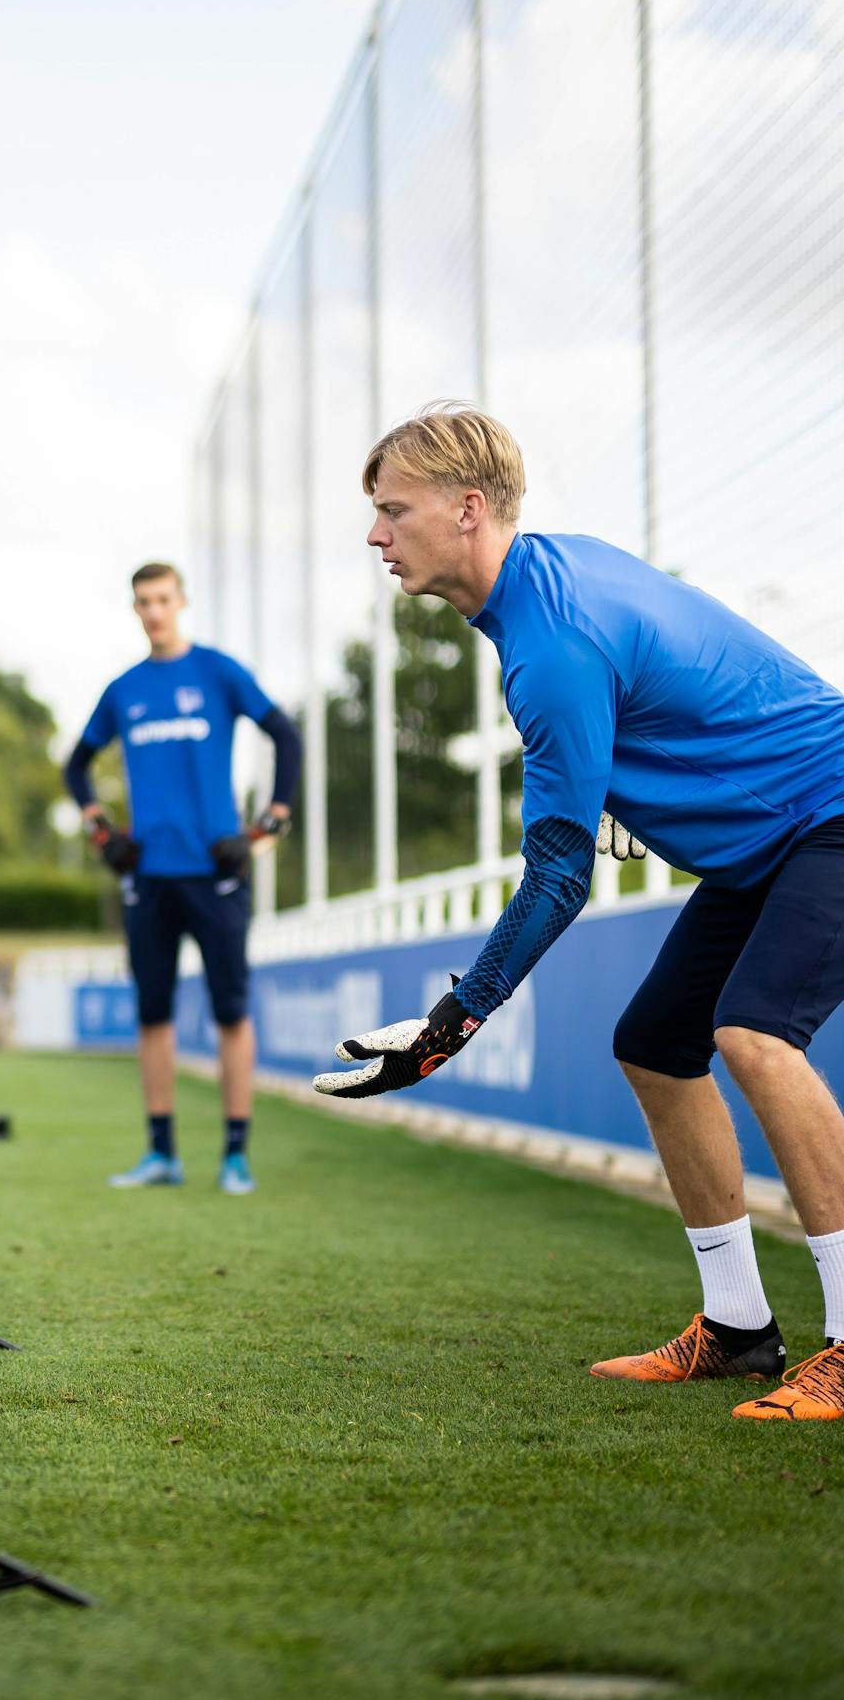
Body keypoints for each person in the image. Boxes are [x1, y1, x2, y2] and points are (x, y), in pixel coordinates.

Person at [324, 403, 844, 1422]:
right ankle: (738, 1327)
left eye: (392, 511)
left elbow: (558, 877)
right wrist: (608, 781)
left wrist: (448, 1024)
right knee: (655, 1041)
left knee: (751, 1034)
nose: (376, 535)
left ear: (465, 509)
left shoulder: (545, 644)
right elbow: (675, 683)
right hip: (773, 839)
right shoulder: (546, 584)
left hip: (827, 812)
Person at [65, 561, 301, 1193]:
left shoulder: (218, 672)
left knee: (230, 1013)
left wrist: (269, 822)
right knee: (153, 1016)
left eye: (163, 599)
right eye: (142, 601)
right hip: (149, 877)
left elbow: (285, 734)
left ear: (181, 602)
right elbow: (76, 765)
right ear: (135, 608)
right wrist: (101, 830)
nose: (153, 611)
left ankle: (235, 1156)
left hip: (216, 873)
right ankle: (162, 1153)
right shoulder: (124, 690)